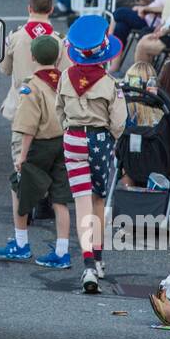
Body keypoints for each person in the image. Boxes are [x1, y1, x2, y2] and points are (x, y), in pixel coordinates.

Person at [51, 15, 127, 292]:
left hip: (73, 139)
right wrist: (111, 139)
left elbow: (59, 111)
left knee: (81, 201)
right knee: (98, 201)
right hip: (100, 141)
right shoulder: (110, 85)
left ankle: (87, 266)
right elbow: (118, 122)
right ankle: (98, 257)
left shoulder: (64, 79)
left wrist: (70, 130)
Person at [3, 34, 75, 268]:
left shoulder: (32, 86)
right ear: (57, 57)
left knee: (20, 187)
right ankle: (62, 251)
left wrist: (22, 157)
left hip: (39, 145)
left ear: (33, 56)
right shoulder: (65, 81)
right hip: (63, 143)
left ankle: (21, 243)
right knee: (60, 198)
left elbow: (27, 125)